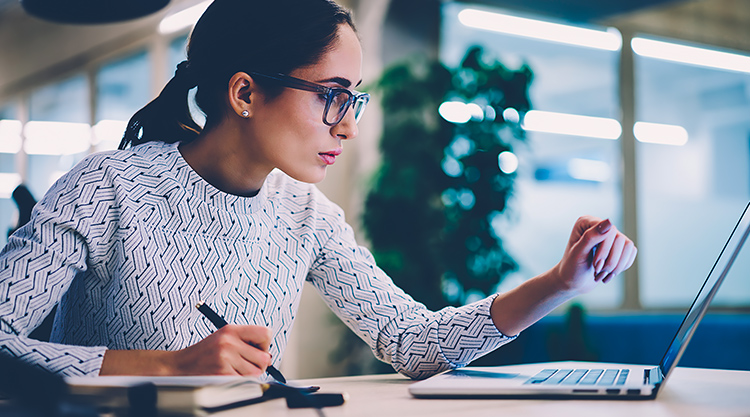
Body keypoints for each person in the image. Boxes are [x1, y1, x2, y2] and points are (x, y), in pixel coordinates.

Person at [0, 0, 636, 380]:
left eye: (354, 99)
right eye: (332, 97)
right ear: (245, 92)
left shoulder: (307, 215)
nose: (350, 126)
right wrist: (167, 366)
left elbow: (413, 342)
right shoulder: (103, 188)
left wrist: (559, 283)